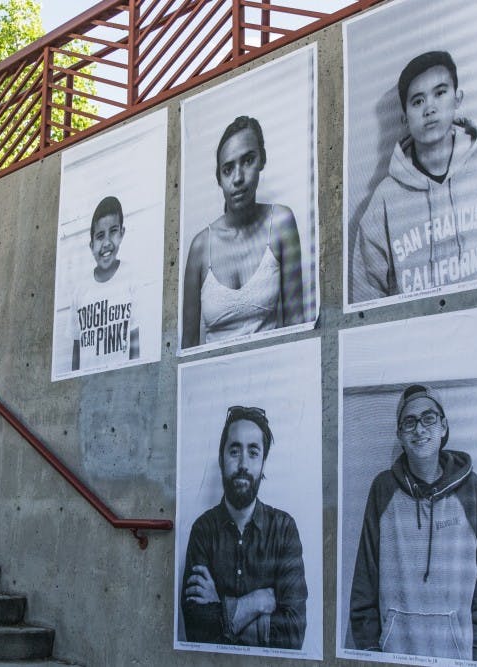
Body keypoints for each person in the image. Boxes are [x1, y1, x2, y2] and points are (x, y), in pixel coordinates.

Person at [351, 51, 477, 303]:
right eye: (417, 101)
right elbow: (365, 295)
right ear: (404, 118)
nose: (429, 109)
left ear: (457, 99)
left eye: (440, 93)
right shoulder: (384, 200)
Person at [349, 384, 477, 661]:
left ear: (443, 426)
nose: (419, 429)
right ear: (400, 435)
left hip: (457, 655)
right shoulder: (383, 488)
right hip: (392, 654)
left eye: (428, 418)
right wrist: (369, 651)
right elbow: (365, 576)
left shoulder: (471, 489)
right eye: (409, 422)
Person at [181, 405, 306, 648]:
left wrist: (221, 610)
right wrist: (258, 602)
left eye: (253, 452)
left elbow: (293, 634)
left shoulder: (284, 529)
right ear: (221, 459)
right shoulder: (203, 530)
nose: (243, 464)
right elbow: (196, 631)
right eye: (235, 450)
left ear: (264, 463)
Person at [181, 116, 304, 349]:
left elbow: (296, 324)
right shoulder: (200, 247)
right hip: (214, 378)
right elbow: (188, 344)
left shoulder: (280, 224)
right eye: (228, 169)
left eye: (247, 161)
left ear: (262, 160)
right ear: (219, 178)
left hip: (272, 374)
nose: (238, 178)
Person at [71, 195, 139, 371]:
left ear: (122, 233)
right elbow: (76, 351)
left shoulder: (131, 277)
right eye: (100, 236)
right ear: (91, 244)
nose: (107, 243)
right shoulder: (80, 290)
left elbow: (135, 342)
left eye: (114, 231)